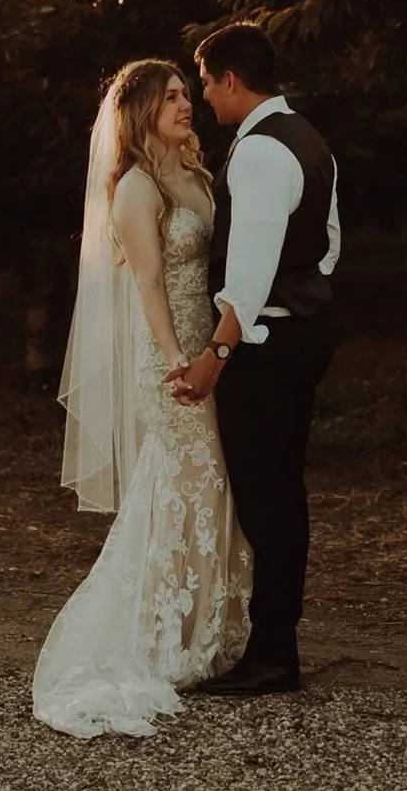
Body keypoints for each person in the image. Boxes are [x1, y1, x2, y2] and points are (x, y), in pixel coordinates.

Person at [32, 60, 250, 739]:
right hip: (170, 360)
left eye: (190, 93)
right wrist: (178, 361)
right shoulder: (135, 186)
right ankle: (162, 640)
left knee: (211, 491)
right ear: (142, 109)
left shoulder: (195, 175)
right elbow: (149, 286)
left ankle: (207, 630)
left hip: (210, 351)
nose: (187, 104)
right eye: (173, 97)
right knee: (189, 484)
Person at [167, 22, 339, 696]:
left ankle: (272, 653)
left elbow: (253, 267)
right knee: (281, 490)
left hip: (266, 344)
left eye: (205, 82)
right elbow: (328, 243)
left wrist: (218, 350)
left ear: (230, 79)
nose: (204, 96)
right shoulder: (310, 139)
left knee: (267, 497)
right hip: (301, 331)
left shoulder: (262, 150)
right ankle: (274, 641)